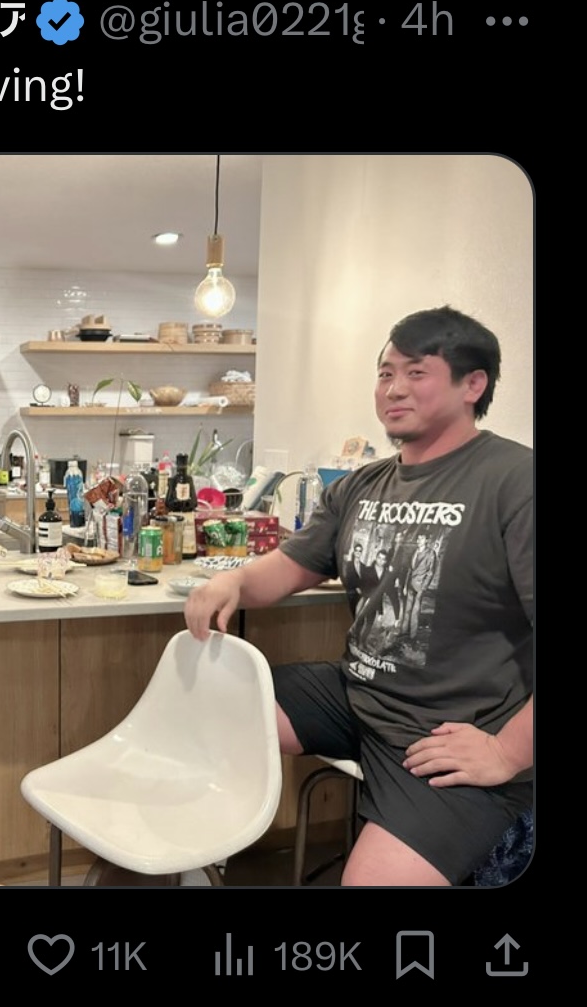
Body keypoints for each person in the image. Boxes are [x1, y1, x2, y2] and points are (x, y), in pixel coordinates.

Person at [184, 306, 533, 886]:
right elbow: (288, 568)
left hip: (451, 731)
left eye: (416, 373)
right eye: (385, 373)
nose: (393, 389)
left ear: (473, 385)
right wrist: (233, 581)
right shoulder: (362, 485)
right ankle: (194, 862)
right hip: (358, 695)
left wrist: (507, 754)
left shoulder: (515, 481)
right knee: (209, 704)